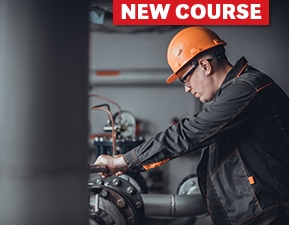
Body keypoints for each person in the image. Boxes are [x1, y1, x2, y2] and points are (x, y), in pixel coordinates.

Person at [94, 26, 289, 225]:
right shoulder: (237, 94)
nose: (187, 89)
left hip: (270, 217)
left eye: (184, 79)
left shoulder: (246, 89)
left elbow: (186, 133)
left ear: (205, 65)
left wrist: (124, 161)